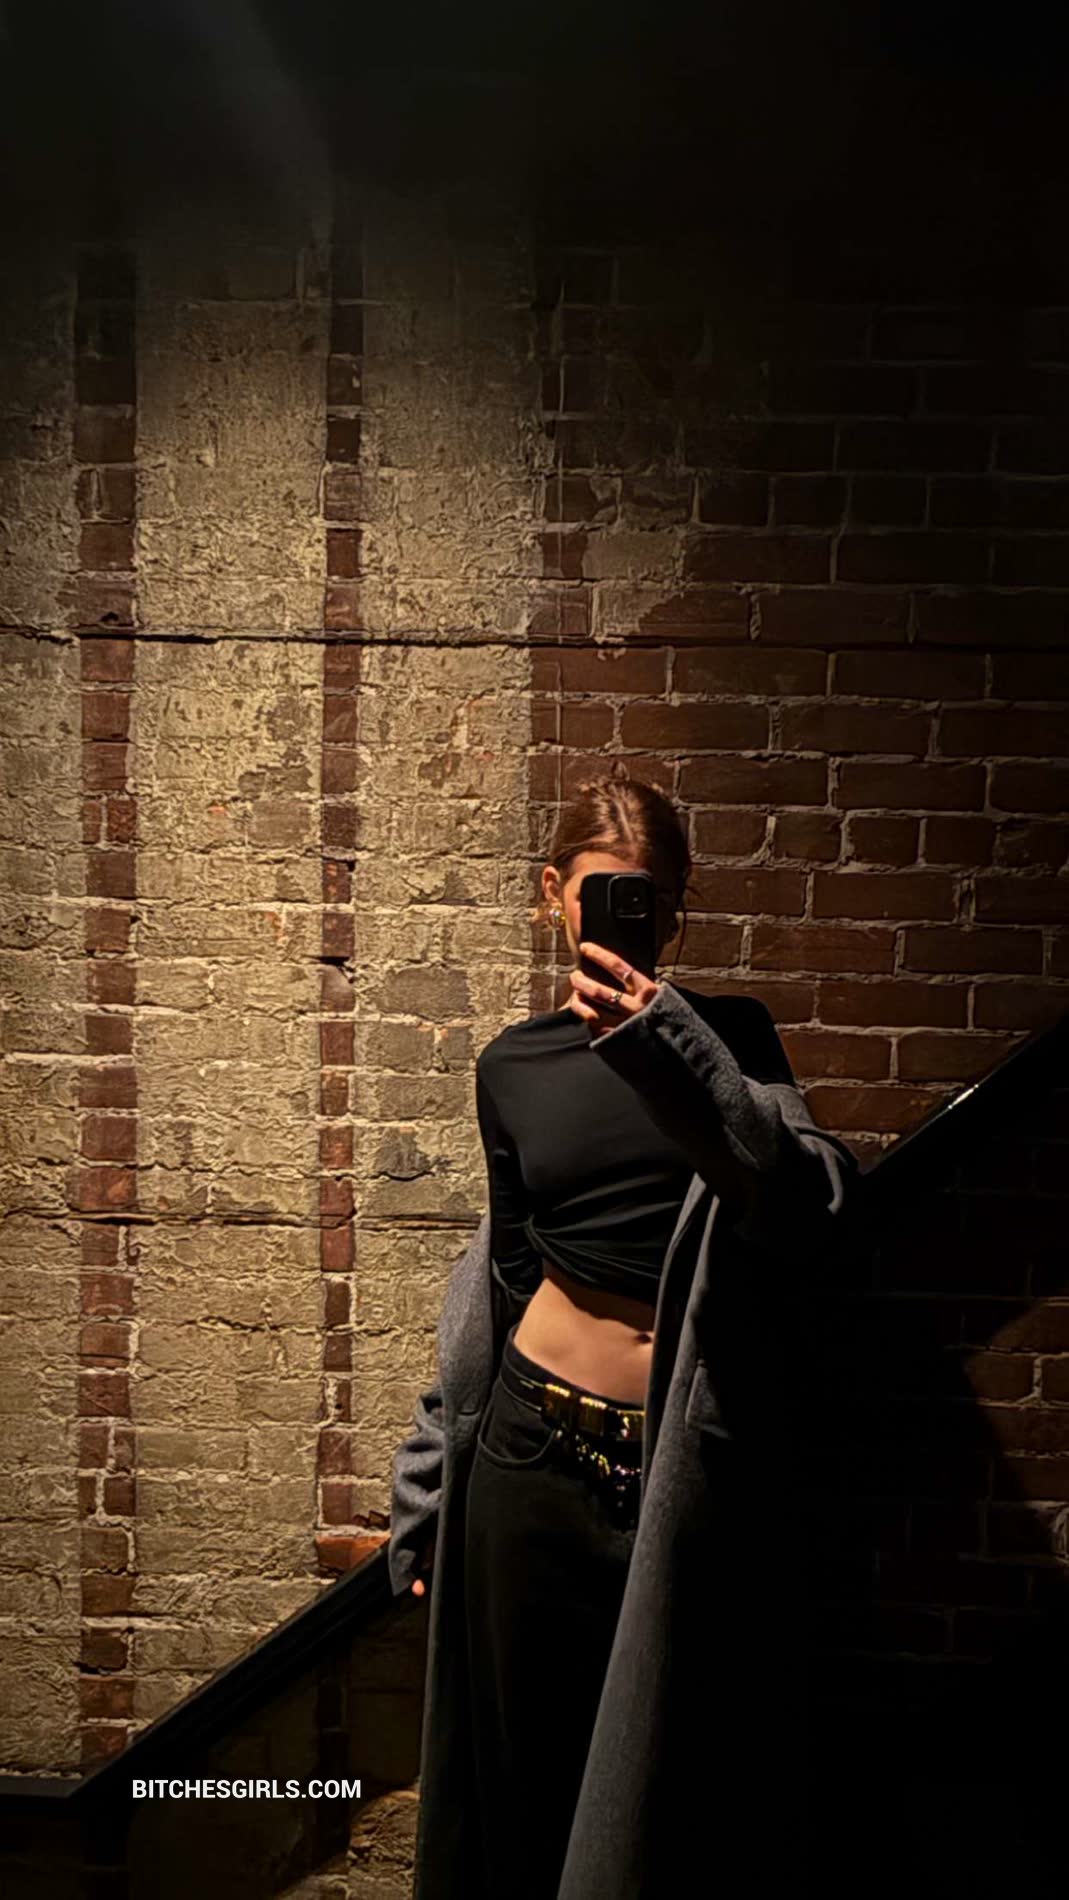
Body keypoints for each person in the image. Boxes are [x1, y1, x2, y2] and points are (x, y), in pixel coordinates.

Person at [389, 768, 857, 1900]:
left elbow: (800, 1204)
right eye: (598, 894)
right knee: (520, 1788)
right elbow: (506, 1271)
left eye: (651, 902)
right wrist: (436, 1484)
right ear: (553, 892)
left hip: (684, 1471)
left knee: (671, 1801)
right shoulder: (512, 1064)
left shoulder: (731, 1041)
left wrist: (669, 1046)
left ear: (677, 912)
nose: (622, 922)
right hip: (528, 1458)